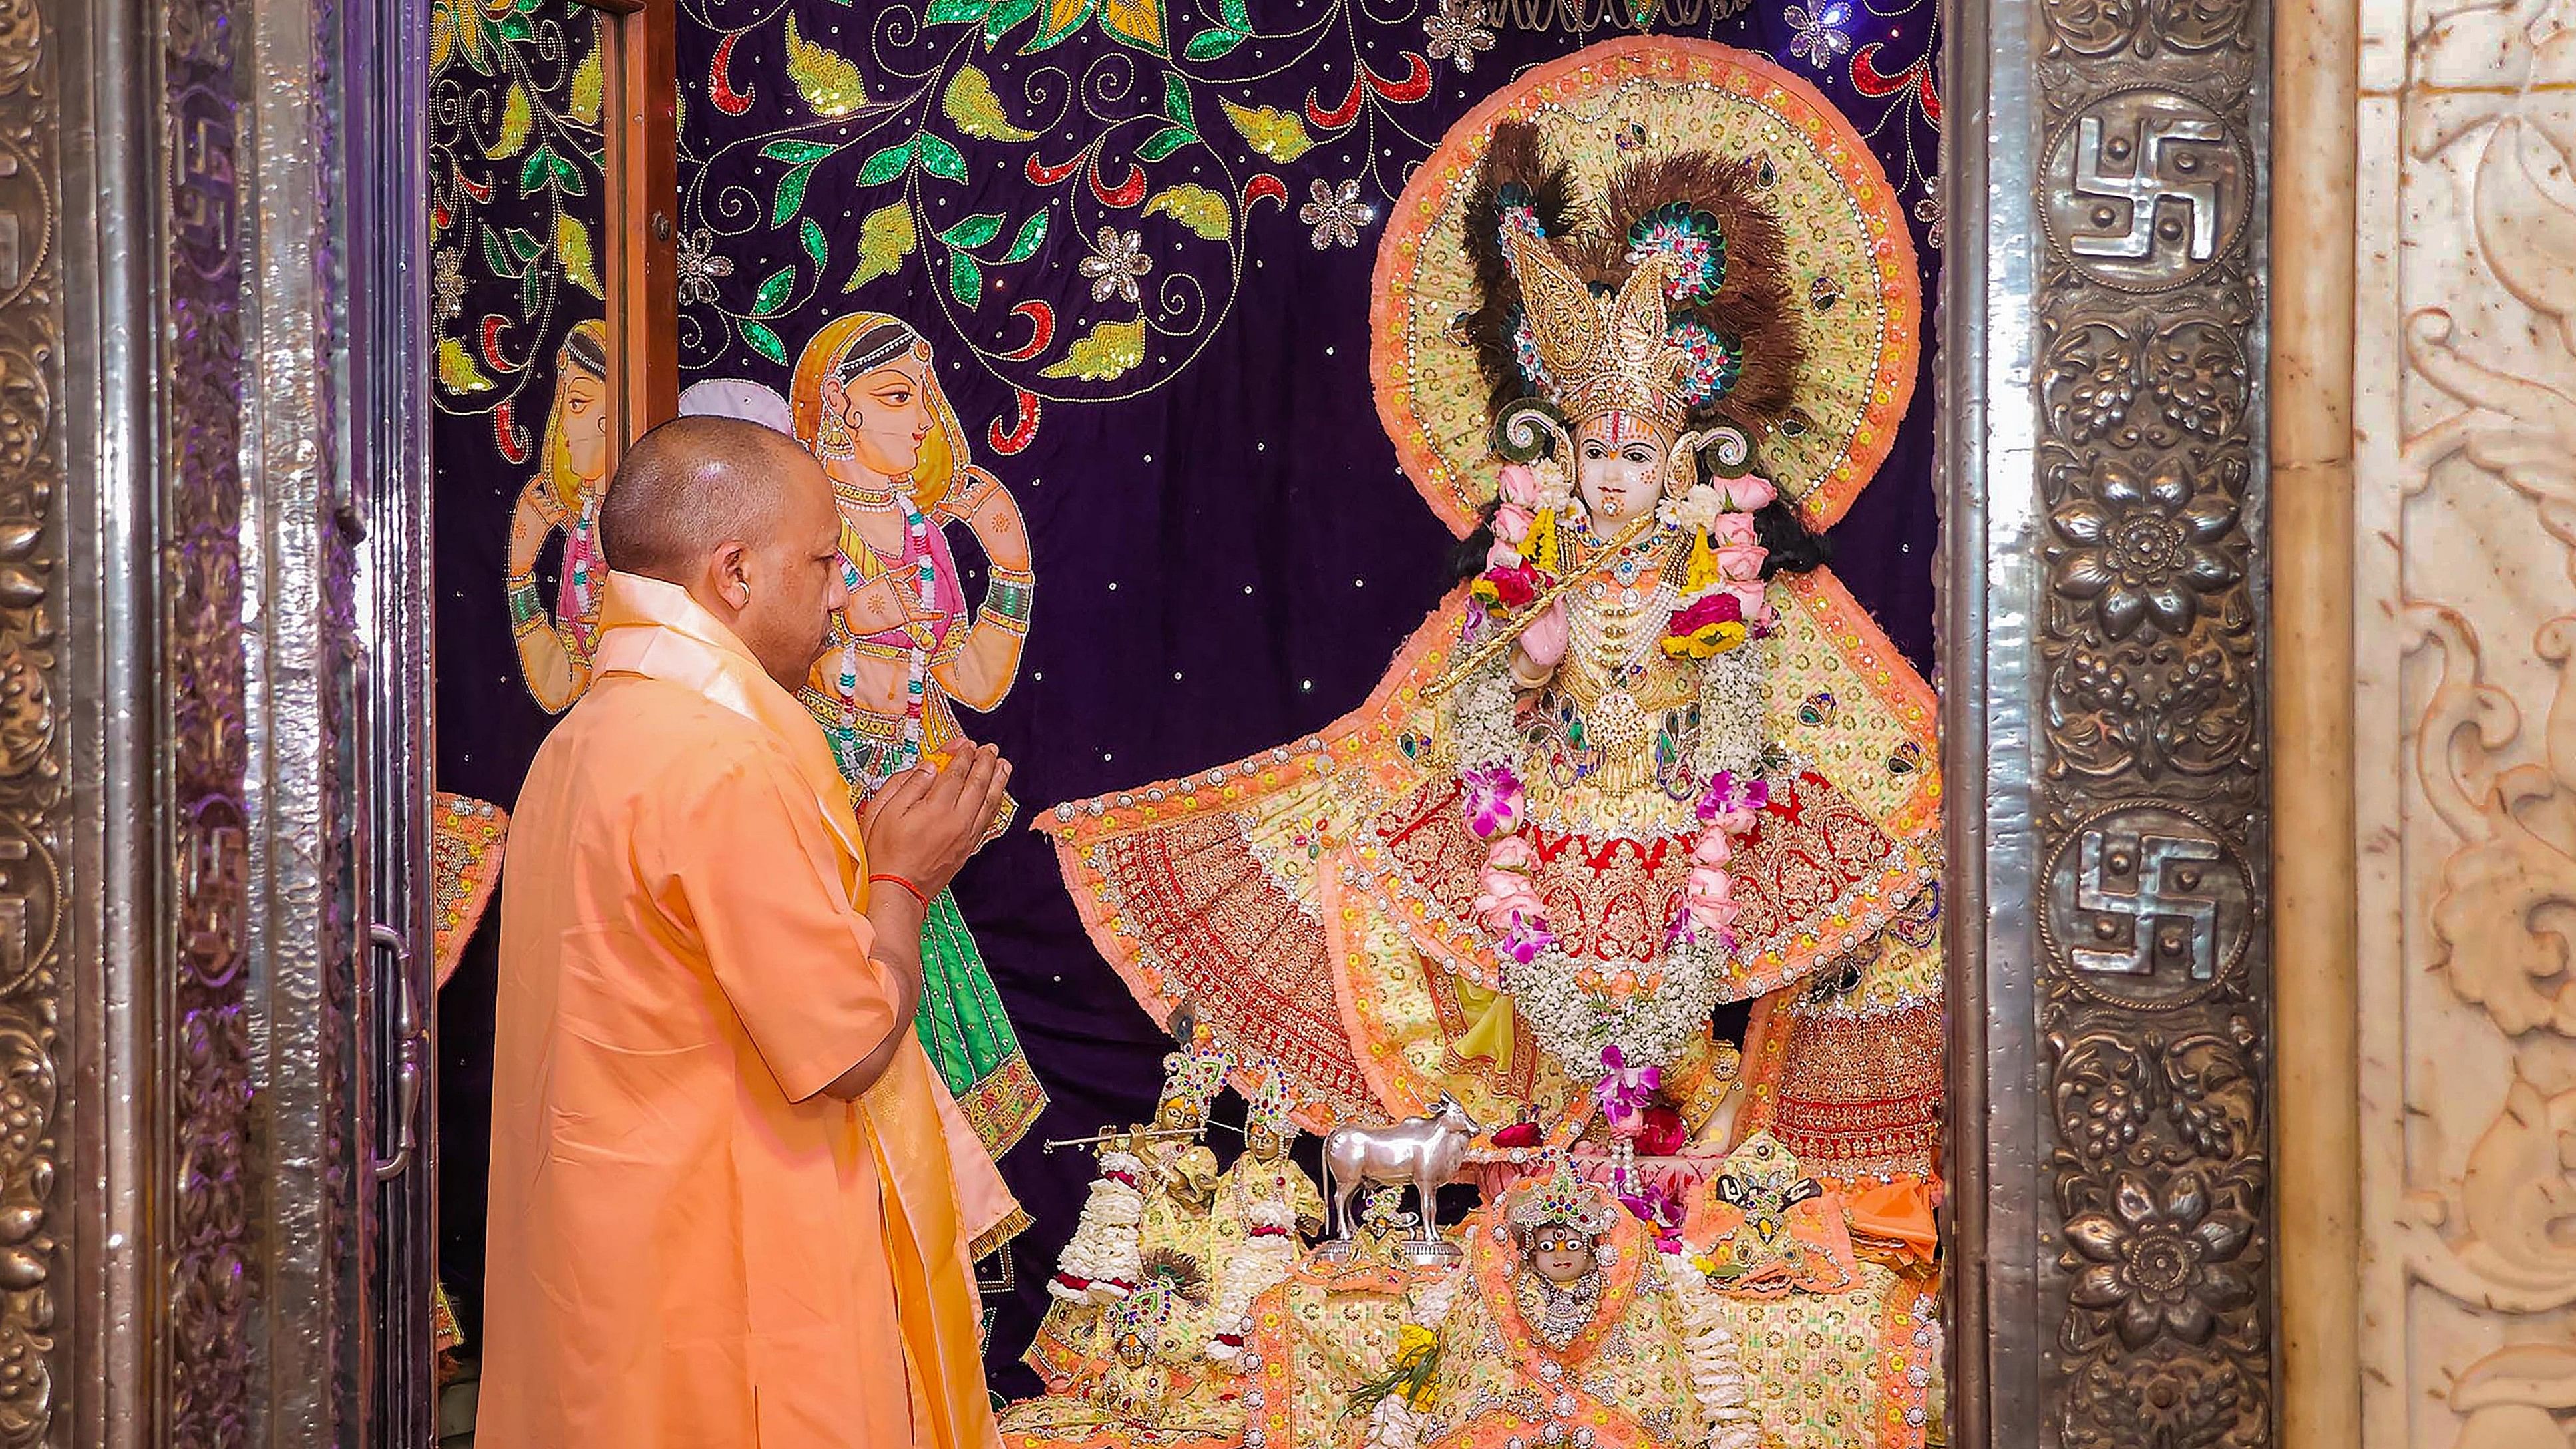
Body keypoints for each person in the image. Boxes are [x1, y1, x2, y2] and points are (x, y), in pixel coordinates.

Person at [479, 413, 1020, 1448]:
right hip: (729, 1300)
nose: (835, 591)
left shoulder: (583, 737)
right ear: (733, 572)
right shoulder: (722, 757)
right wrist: (905, 878)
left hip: (615, 1286)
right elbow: (850, 1044)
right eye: (820, 560)